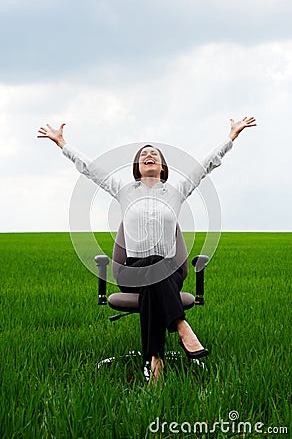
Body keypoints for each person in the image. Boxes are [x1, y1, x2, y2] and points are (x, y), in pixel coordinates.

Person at [37, 116, 256, 384]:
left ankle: (154, 361)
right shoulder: (124, 191)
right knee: (151, 265)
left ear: (163, 167)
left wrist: (231, 137)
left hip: (168, 272)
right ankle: (181, 325)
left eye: (154, 154)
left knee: (158, 268)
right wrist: (62, 143)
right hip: (132, 274)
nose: (149, 155)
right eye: (144, 155)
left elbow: (204, 166)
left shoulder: (176, 192)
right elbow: (91, 169)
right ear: (137, 167)